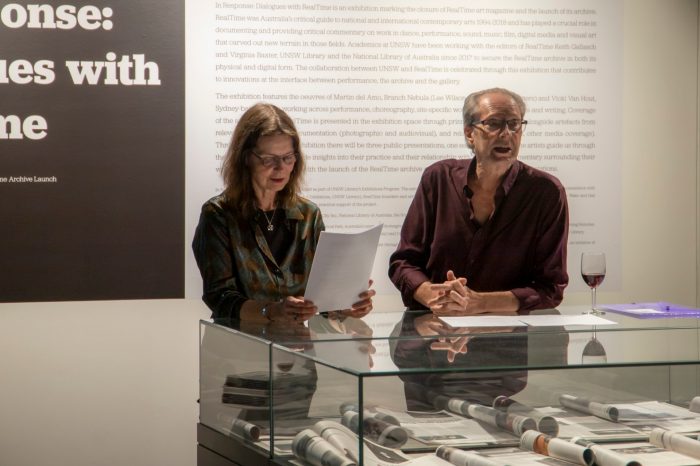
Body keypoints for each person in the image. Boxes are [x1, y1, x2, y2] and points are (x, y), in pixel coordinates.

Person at [389, 88, 568, 315]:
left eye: (514, 124)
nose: (506, 134)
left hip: (507, 338)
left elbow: (551, 287)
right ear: (469, 133)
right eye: (493, 123)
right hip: (434, 334)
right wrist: (433, 295)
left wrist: (479, 302)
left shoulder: (546, 192)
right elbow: (403, 262)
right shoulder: (438, 178)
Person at [193, 103, 374, 322]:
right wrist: (270, 311)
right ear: (246, 158)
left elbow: (320, 295)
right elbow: (220, 297)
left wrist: (345, 305)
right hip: (237, 348)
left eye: (288, 157)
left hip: (295, 347)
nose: (280, 168)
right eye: (269, 159)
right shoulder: (219, 214)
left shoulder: (309, 215)